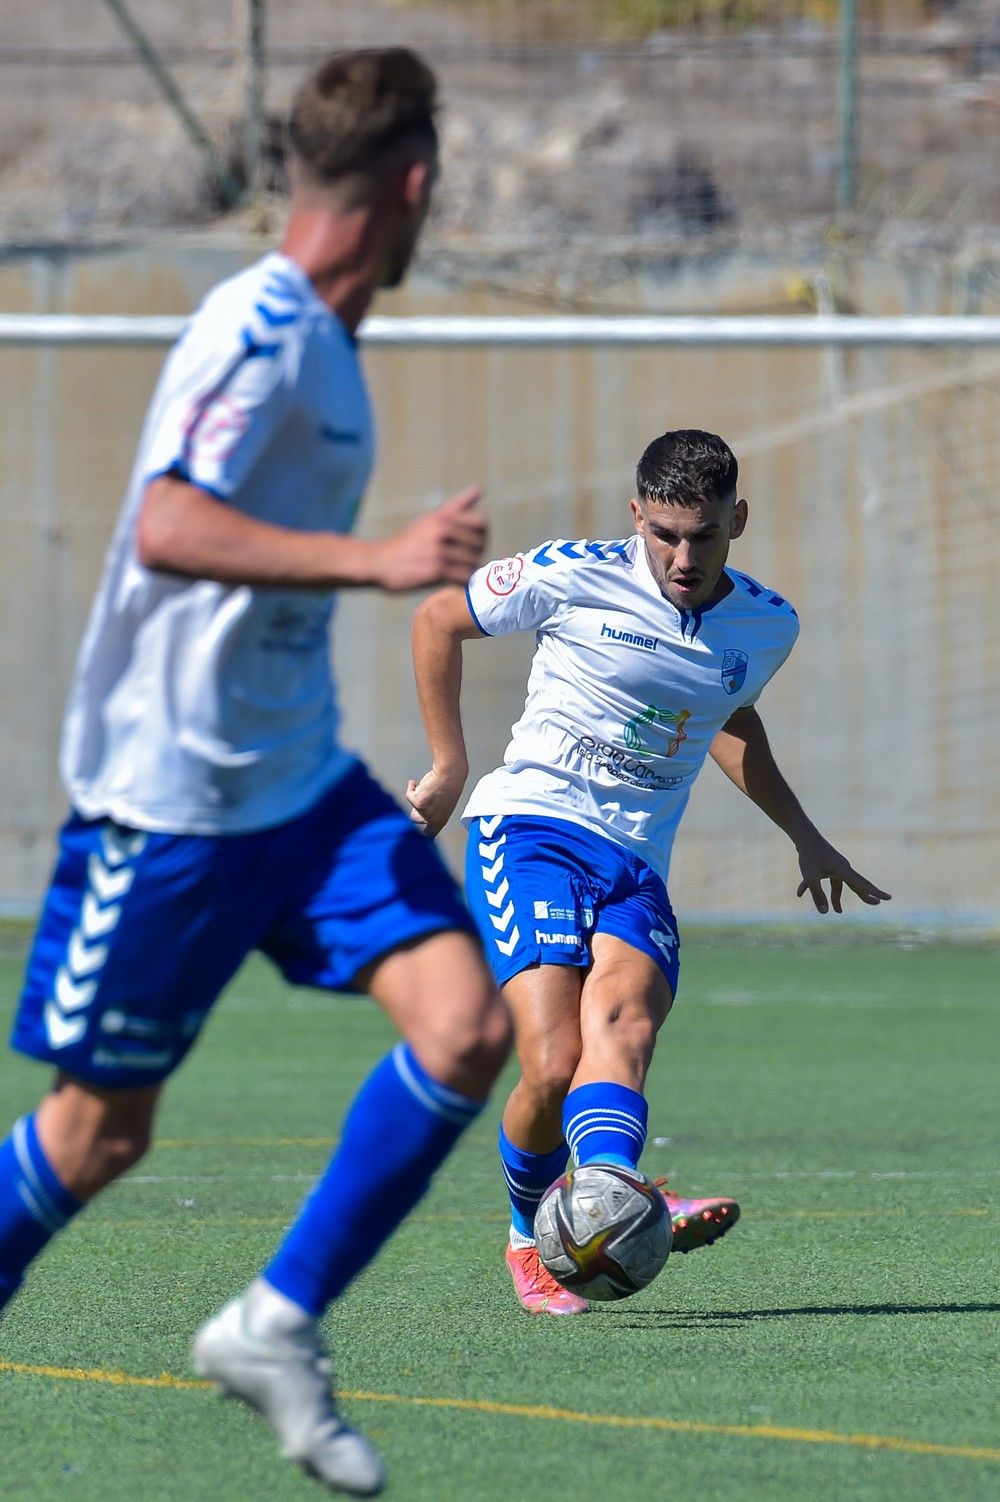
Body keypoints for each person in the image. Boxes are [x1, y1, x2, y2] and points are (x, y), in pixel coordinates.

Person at [0, 48, 511, 1496]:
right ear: (409, 185)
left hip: (294, 784)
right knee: (98, 1135)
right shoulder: (262, 330)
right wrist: (380, 560)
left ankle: (273, 1324)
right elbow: (166, 520)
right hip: (168, 804)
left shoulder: (332, 349)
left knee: (468, 1026)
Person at [407, 428, 891, 1316]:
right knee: (553, 1064)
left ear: (736, 521)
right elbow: (438, 616)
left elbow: (727, 719)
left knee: (623, 1030)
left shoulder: (766, 622)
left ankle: (611, 1195)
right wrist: (447, 767)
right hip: (532, 830)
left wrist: (804, 833)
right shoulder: (570, 573)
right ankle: (531, 1239)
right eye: (663, 533)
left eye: (703, 536)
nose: (681, 555)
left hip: (636, 862)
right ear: (637, 516)